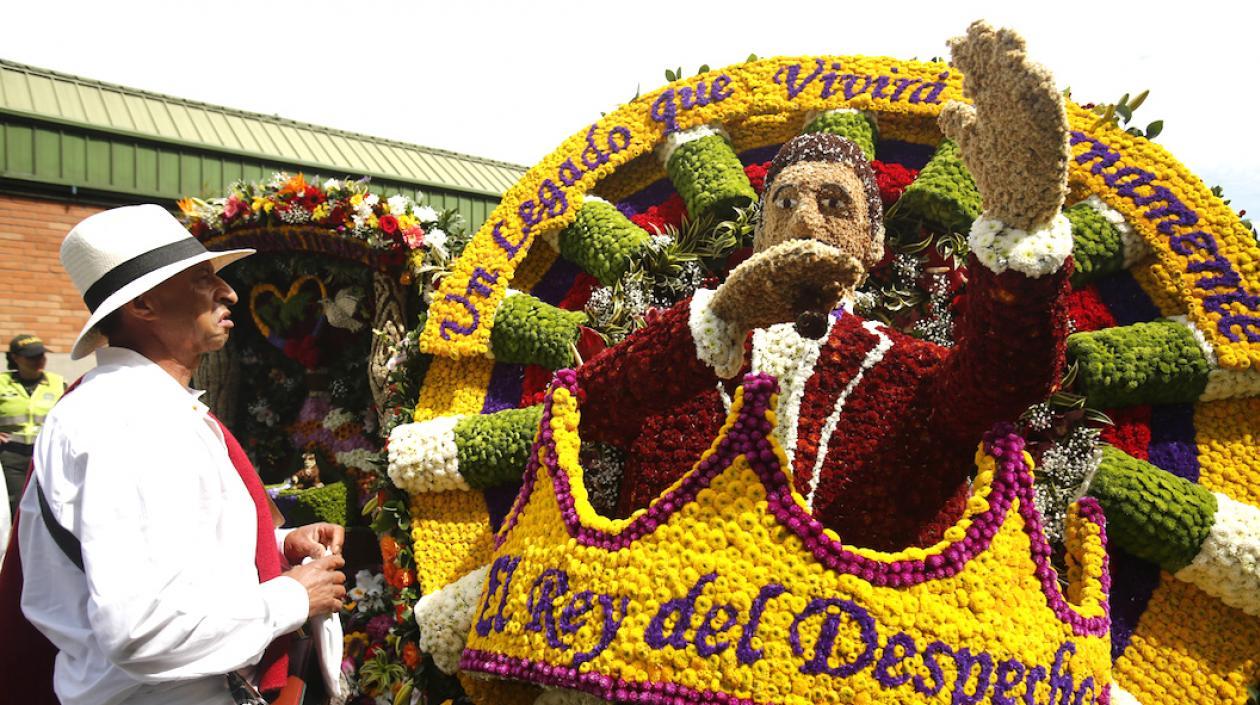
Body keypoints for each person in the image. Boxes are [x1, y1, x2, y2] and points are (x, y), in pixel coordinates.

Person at [577, 22, 1074, 551]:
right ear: (760, 234)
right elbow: (587, 408)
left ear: (873, 240)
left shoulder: (913, 377)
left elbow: (1007, 377)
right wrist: (723, 317)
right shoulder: (683, 353)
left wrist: (1021, 223)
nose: (804, 222)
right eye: (784, 204)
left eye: (834, 203)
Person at [10, 204, 347, 705]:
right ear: (143, 306)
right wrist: (293, 597)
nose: (228, 291)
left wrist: (275, 549)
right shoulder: (126, 420)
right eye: (201, 278)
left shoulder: (142, 408)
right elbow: (141, 630)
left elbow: (172, 553)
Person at [1, 334, 65, 517]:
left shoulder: (57, 383)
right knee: (18, 506)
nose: (39, 361)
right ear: (15, 358)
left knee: (48, 505)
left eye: (41, 356)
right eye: (32, 357)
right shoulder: (2, 383)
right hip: (11, 456)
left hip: (45, 455)